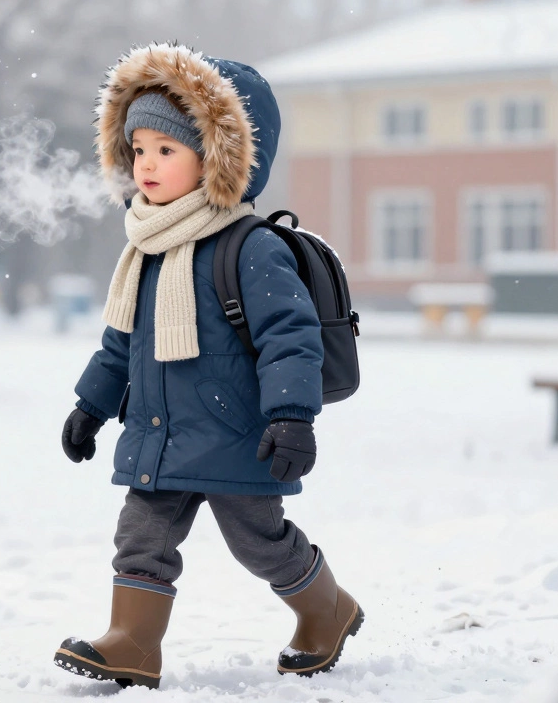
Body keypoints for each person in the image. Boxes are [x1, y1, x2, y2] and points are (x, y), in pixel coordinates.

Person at [52, 43, 363, 690]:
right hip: (159, 433)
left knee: (260, 543)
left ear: (218, 158)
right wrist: (91, 405)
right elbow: (121, 343)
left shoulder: (251, 248)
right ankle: (134, 642)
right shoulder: (147, 248)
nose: (146, 164)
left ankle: (328, 611)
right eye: (138, 148)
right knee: (141, 536)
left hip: (235, 433)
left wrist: (292, 416)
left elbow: (290, 337)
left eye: (166, 150)